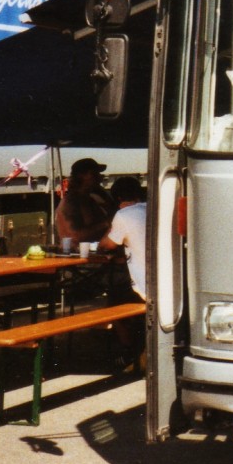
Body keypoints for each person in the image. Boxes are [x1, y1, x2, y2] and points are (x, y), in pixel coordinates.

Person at [101, 176, 147, 373]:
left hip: (143, 284)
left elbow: (107, 245)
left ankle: (129, 352)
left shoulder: (124, 215)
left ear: (118, 198)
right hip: (162, 280)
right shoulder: (153, 208)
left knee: (115, 301)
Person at [55, 157, 114, 244]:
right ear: (81, 176)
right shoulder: (70, 202)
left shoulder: (89, 200)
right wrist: (106, 223)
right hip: (78, 255)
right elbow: (74, 236)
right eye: (94, 173)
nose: (99, 176)